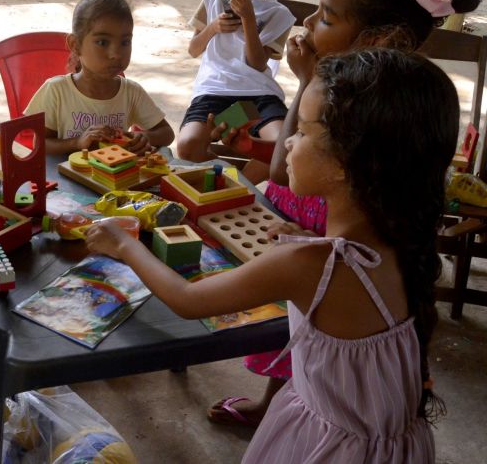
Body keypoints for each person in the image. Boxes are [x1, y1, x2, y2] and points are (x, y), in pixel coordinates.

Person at [87, 47, 458, 462]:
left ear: (345, 163)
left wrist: (124, 245)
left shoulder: (312, 266)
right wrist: (303, 235)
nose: (289, 143)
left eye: (300, 131)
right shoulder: (397, 240)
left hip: (328, 447)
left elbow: (189, 301)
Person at [207, 0, 482, 427]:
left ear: (374, 39)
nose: (309, 22)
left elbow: (278, 171)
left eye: (326, 16)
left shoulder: (353, 105)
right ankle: (283, 406)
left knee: (312, 336)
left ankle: (306, 418)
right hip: (313, 227)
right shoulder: (407, 93)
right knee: (300, 336)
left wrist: (305, 83)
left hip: (325, 238)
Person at [175, 0, 295, 183]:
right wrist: (212, 28)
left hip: (258, 95)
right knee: (187, 146)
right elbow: (194, 49)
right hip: (216, 91)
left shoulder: (279, 14)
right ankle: (233, 181)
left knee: (283, 150)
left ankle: (238, 185)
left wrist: (249, 19)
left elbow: (257, 63)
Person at [24, 0, 174, 156]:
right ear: (75, 45)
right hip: (65, 180)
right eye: (102, 42)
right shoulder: (56, 91)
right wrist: (78, 142)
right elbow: (39, 144)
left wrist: (142, 137)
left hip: (115, 179)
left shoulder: (131, 92)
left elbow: (167, 133)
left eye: (125, 42)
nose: (116, 54)